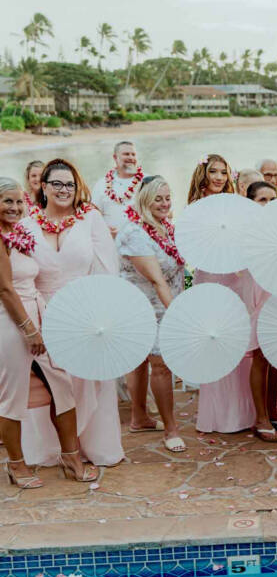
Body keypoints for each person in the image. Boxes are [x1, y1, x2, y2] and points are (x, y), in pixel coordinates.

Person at [19, 159, 123, 466]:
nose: (64, 190)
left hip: (85, 310)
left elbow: (107, 267)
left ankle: (97, 446)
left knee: (91, 380)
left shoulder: (90, 218)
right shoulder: (27, 224)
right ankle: (50, 449)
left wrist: (103, 312)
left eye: (70, 184)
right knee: (51, 384)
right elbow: (21, 274)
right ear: (44, 187)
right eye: (57, 184)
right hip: (42, 312)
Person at [0, 177, 97, 487]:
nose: (15, 207)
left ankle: (70, 456)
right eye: (7, 201)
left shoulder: (17, 234)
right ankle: (16, 465)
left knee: (63, 384)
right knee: (11, 397)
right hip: (11, 322)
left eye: (18, 201)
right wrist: (29, 331)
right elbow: (5, 289)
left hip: (38, 316)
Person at [188, 155, 261, 436]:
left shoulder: (234, 205)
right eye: (213, 172)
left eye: (223, 172)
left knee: (239, 344)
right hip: (211, 276)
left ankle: (242, 414)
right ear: (203, 174)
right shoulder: (196, 209)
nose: (218, 177)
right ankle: (219, 416)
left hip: (237, 276)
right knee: (216, 343)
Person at [116, 176, 187, 451]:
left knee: (141, 361)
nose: (165, 203)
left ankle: (139, 417)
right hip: (146, 306)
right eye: (158, 199)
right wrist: (181, 315)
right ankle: (171, 430)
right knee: (159, 363)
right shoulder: (134, 233)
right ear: (144, 200)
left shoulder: (166, 227)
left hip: (166, 300)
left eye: (168, 198)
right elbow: (157, 280)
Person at [242, 181, 277, 437]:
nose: (269, 205)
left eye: (273, 200)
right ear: (251, 203)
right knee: (261, 355)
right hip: (258, 291)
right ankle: (260, 417)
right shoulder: (247, 231)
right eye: (263, 200)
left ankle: (273, 411)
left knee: (276, 356)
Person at [90, 141, 144, 235]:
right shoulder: (101, 184)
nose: (131, 158)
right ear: (115, 157)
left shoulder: (147, 182)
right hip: (111, 242)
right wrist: (103, 229)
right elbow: (93, 215)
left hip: (141, 241)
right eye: (126, 154)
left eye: (133, 154)